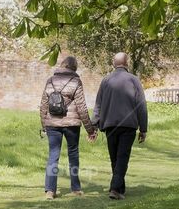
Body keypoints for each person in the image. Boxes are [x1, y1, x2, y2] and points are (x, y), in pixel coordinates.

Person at [39, 55, 97, 199]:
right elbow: (81, 107)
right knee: (73, 154)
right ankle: (76, 188)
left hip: (52, 123)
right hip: (72, 124)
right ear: (74, 68)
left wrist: (44, 125)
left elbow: (43, 105)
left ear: (62, 65)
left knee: (53, 155)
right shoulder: (76, 81)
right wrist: (90, 129)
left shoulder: (50, 80)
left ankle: (50, 191)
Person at [92, 53, 148, 200]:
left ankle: (118, 188)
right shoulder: (134, 80)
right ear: (127, 63)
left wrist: (94, 126)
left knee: (115, 158)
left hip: (110, 125)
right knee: (122, 157)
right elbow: (141, 106)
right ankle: (116, 189)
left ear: (113, 63)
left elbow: (98, 105)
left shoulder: (106, 81)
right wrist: (143, 129)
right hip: (128, 126)